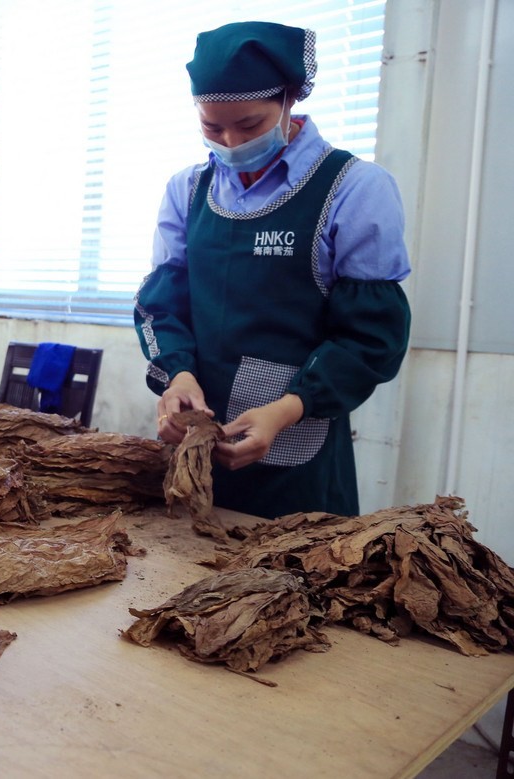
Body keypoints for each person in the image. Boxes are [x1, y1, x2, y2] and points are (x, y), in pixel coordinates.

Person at [133, 21, 412, 519]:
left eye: (250, 125)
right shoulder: (187, 190)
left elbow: (371, 338)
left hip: (296, 455)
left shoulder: (354, 188)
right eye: (211, 128)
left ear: (289, 101)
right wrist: (177, 377)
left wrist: (288, 409)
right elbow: (161, 303)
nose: (230, 141)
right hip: (195, 444)